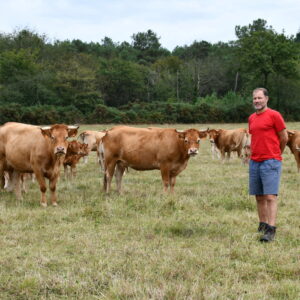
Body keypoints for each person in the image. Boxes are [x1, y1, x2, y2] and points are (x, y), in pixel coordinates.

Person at [248, 88, 288, 242]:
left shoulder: (274, 115)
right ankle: (263, 225)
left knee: (270, 196)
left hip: (270, 160)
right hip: (255, 161)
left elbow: (283, 137)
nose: (256, 101)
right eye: (254, 98)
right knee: (258, 196)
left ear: (266, 99)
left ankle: (271, 230)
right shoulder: (252, 118)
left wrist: (277, 154)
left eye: (259, 98)